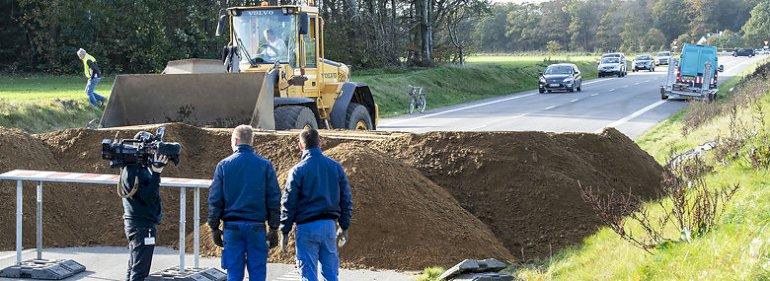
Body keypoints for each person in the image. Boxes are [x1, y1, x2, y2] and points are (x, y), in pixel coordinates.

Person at [208, 125, 281, 281]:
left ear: (236, 140)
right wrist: (274, 227)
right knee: (258, 274)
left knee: (233, 274)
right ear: (251, 142)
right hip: (257, 227)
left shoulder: (223, 165)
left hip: (232, 228)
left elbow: (215, 200)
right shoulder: (265, 165)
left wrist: (214, 227)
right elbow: (274, 199)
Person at [280, 127, 353, 281]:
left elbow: (288, 203)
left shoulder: (297, 171)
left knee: (308, 275)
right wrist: (344, 226)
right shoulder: (335, 167)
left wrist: (284, 231)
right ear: (320, 142)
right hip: (328, 227)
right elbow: (346, 199)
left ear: (300, 145)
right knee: (331, 275)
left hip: (306, 228)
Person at [120, 133, 168, 281]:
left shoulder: (132, 167)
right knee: (140, 271)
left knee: (134, 266)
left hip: (137, 223)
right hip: (142, 226)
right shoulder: (135, 170)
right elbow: (147, 196)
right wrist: (156, 174)